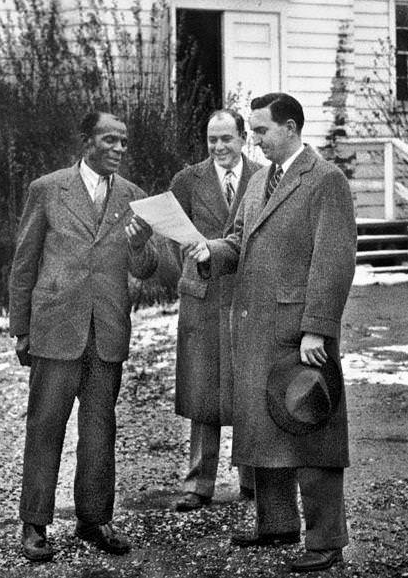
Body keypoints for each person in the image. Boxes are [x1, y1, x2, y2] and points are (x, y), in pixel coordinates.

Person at [187, 92, 357, 574]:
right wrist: (212, 252)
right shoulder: (261, 179)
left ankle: (326, 539)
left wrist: (317, 330)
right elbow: (241, 241)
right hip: (256, 329)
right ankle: (276, 524)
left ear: (289, 127)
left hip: (300, 334)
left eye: (261, 131)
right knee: (264, 429)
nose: (254, 140)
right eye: (254, 132)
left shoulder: (326, 180)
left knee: (311, 432)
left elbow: (334, 260)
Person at [8, 110, 156, 563]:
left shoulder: (135, 198)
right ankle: (35, 523)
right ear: (86, 142)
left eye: (124, 142)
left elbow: (147, 268)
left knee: (100, 429)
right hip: (55, 329)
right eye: (109, 140)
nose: (118, 149)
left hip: (106, 331)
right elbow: (24, 261)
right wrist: (21, 328)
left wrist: (138, 243)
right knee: (45, 427)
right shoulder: (48, 189)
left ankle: (95, 519)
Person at [168, 108, 256, 511]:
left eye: (227, 139)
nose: (219, 147)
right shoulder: (187, 181)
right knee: (203, 388)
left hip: (245, 296)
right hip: (202, 297)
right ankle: (198, 483)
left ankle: (253, 478)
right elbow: (172, 238)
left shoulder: (263, 178)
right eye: (212, 140)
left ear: (243, 138)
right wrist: (194, 264)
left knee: (248, 387)